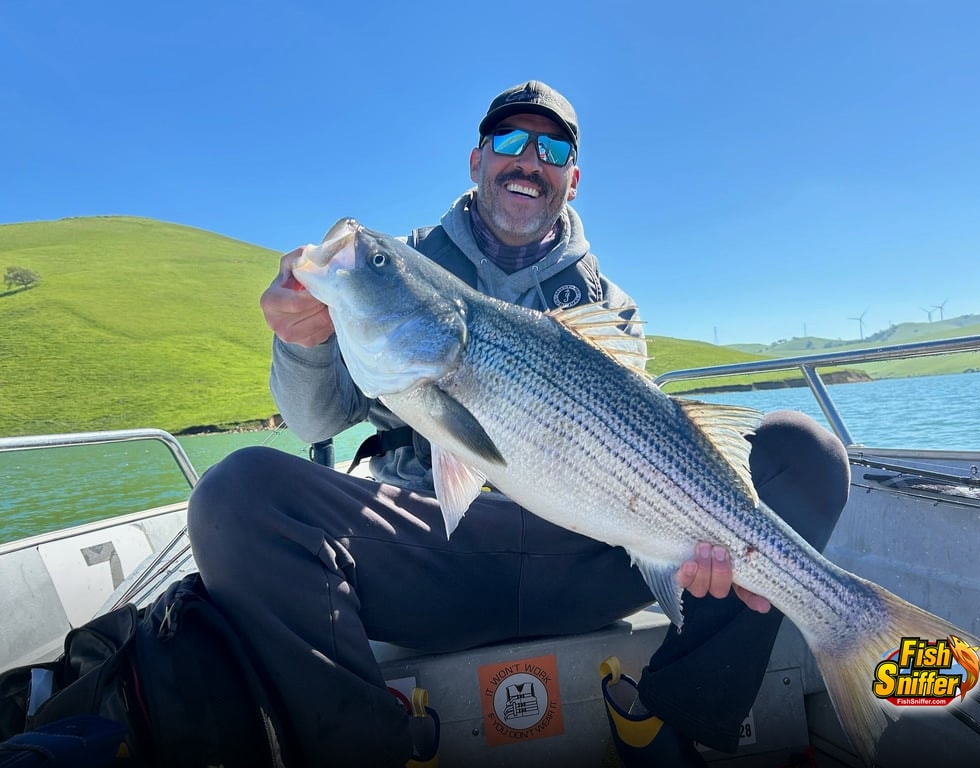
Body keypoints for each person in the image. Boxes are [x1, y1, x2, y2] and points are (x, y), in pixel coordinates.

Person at [186, 81, 851, 767]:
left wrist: (702, 536)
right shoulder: (402, 270)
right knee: (236, 494)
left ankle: (672, 715)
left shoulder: (607, 306)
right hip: (430, 554)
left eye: (551, 147)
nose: (527, 159)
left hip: (586, 555)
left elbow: (648, 461)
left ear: (573, 177)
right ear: (476, 160)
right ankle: (371, 746)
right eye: (508, 141)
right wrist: (303, 343)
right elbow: (312, 419)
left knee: (805, 455)